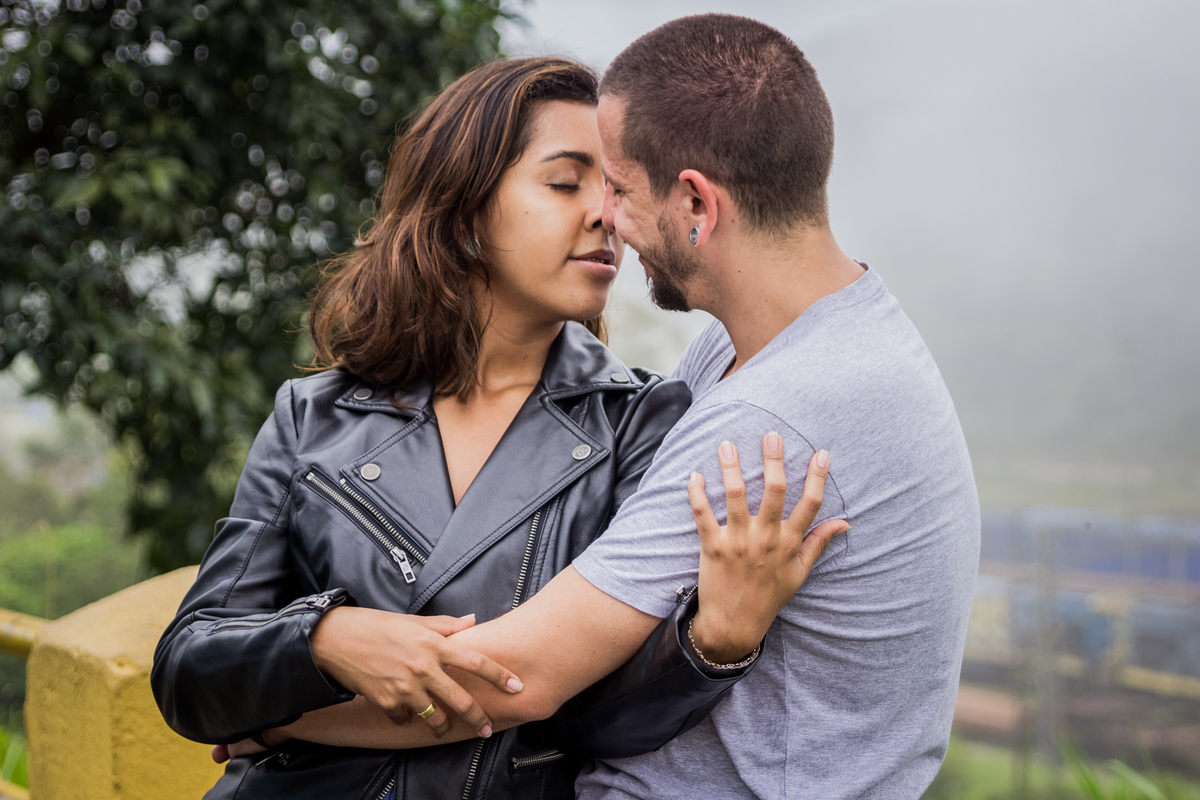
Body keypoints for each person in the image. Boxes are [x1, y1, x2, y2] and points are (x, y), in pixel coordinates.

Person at [223, 13, 981, 800]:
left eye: (618, 188)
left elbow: (512, 679)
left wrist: (272, 719)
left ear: (697, 204)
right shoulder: (780, 345)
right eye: (572, 183)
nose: (609, 222)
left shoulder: (774, 417)